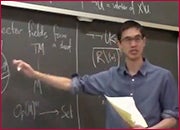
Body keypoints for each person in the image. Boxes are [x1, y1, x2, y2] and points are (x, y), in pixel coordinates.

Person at [13, 20, 178, 128]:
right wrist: (35, 74)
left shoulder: (163, 77)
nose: (133, 44)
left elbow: (172, 117)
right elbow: (73, 84)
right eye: (128, 40)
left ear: (144, 41)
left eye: (137, 38)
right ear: (119, 44)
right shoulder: (110, 77)